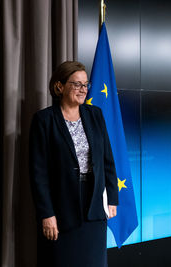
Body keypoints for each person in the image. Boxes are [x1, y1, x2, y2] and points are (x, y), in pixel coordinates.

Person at [29, 61, 119, 266]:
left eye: (85, 84)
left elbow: (107, 159)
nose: (83, 90)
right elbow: (38, 173)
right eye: (76, 84)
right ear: (59, 87)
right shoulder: (44, 120)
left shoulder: (95, 114)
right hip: (61, 208)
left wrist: (112, 197)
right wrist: (47, 214)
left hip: (94, 204)